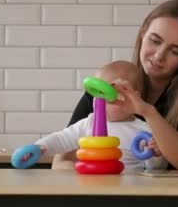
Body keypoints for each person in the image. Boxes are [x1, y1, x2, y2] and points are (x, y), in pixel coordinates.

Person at [55, 0, 178, 170]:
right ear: (143, 33)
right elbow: (59, 162)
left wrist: (147, 111)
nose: (158, 56)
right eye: (155, 41)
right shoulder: (105, 87)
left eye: (175, 51)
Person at [24, 60, 167, 172]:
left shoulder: (144, 129)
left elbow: (153, 170)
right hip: (91, 188)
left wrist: (156, 156)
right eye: (96, 95)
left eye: (109, 97)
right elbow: (62, 139)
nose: (99, 102)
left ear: (134, 98)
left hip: (127, 191)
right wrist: (41, 147)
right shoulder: (89, 122)